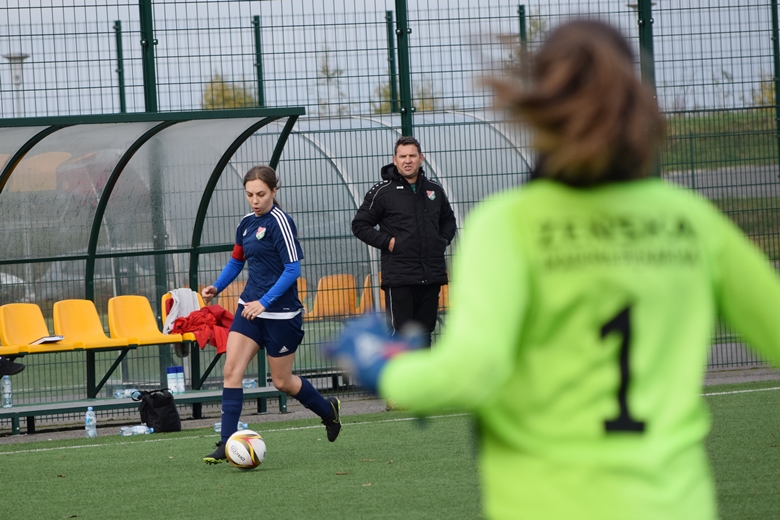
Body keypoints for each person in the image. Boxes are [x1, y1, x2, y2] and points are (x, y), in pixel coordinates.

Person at [328, 20, 780, 519]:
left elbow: (472, 370)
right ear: (633, 100)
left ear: (540, 103)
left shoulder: (509, 224)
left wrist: (387, 368)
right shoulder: (690, 222)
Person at [202, 165, 341, 464]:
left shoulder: (281, 222)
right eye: (249, 194)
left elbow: (293, 270)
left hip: (280, 314)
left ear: (274, 191)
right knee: (231, 372)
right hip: (249, 308)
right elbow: (237, 262)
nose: (255, 200)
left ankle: (328, 411)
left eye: (261, 194)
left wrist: (265, 302)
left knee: (282, 382)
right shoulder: (246, 223)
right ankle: (227, 443)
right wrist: (216, 285)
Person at [352, 136, 457, 347]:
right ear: (395, 159)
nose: (407, 160)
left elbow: (449, 221)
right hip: (399, 278)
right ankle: (396, 380)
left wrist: (442, 241)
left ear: (421, 159)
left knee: (424, 334)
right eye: (403, 156)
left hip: (431, 276)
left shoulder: (434, 190)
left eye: (412, 156)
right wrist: (389, 242)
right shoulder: (382, 192)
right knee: (400, 335)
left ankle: (423, 380)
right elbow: (360, 225)